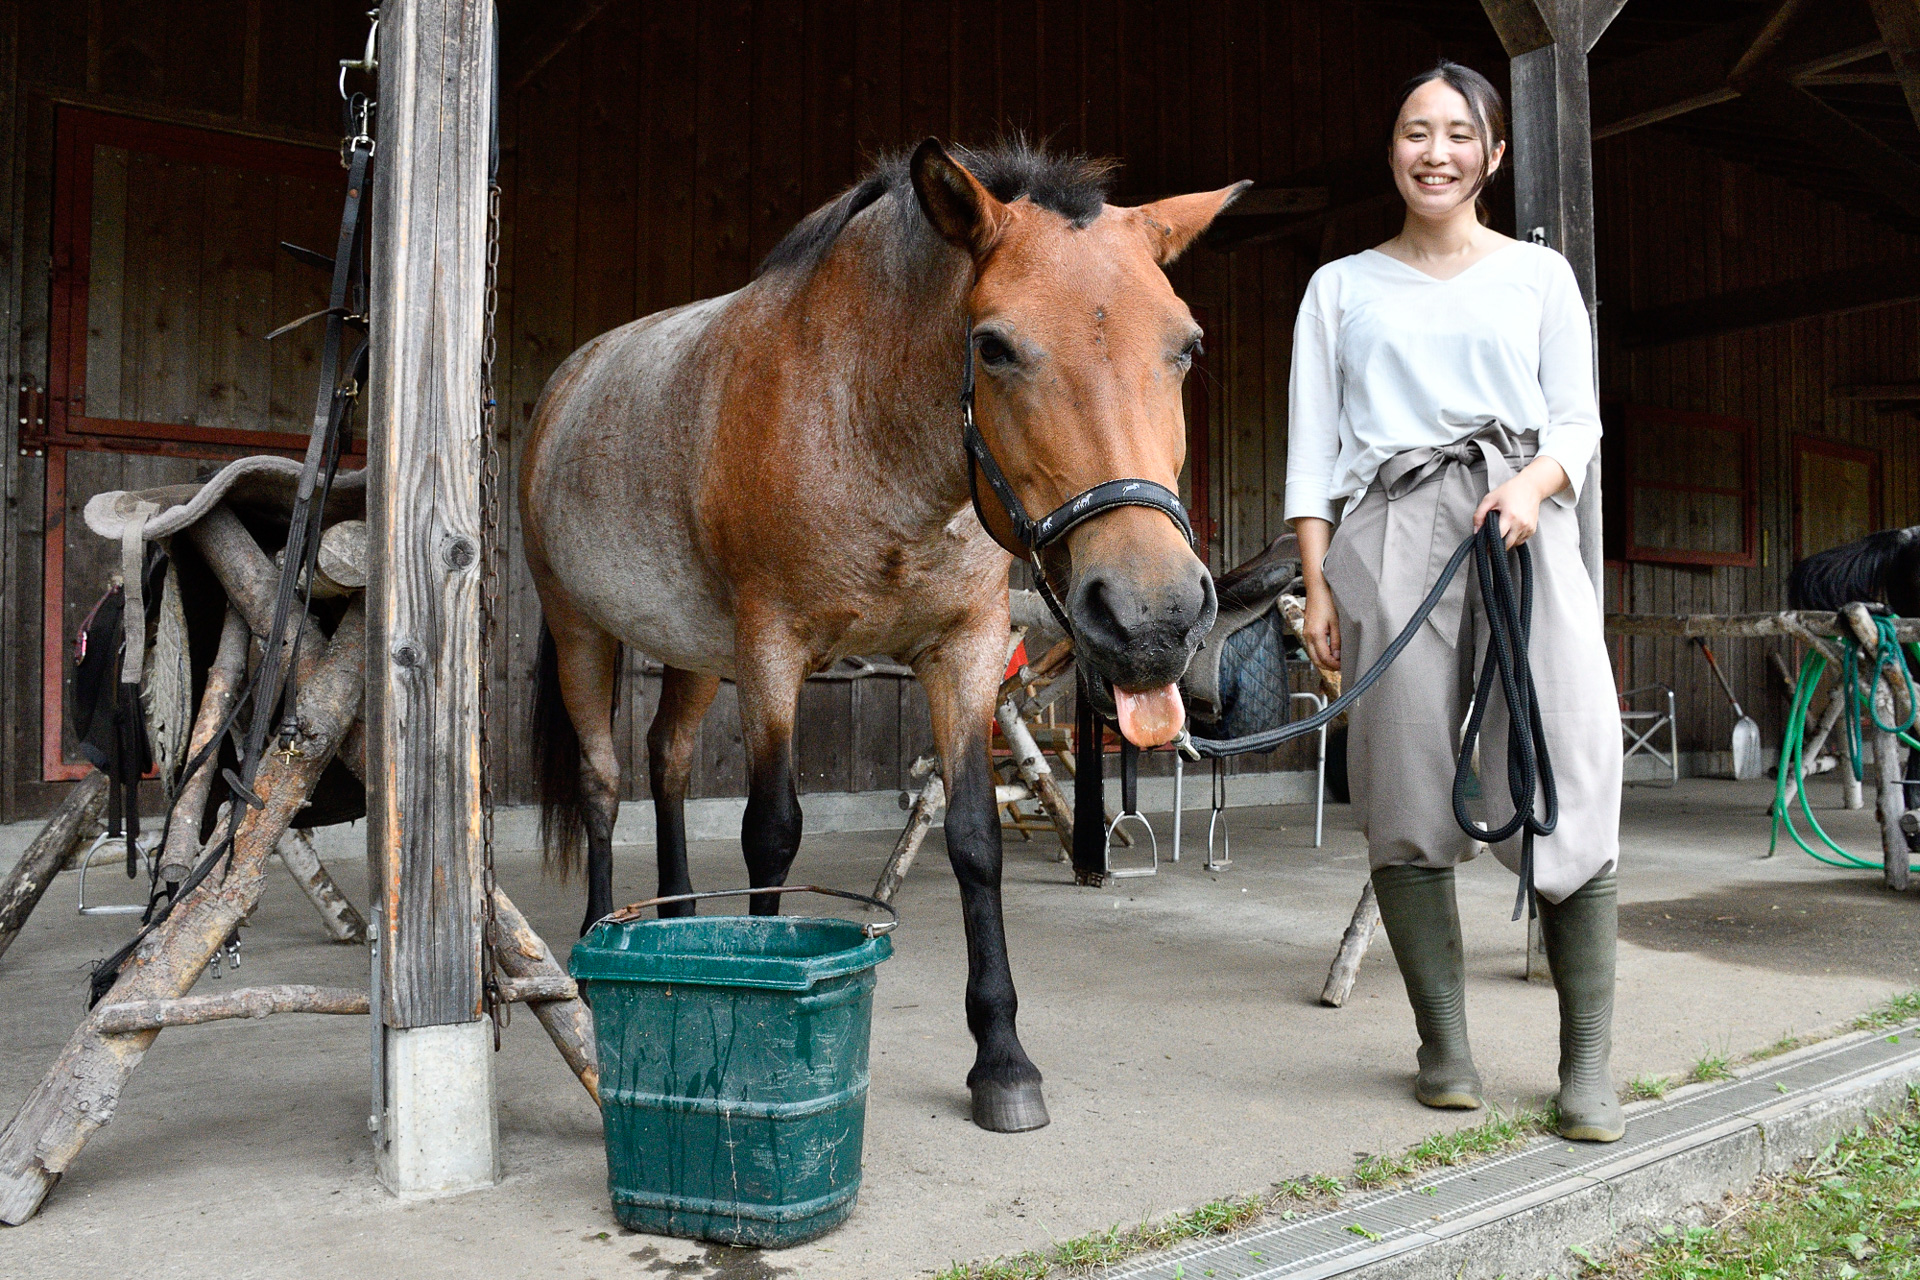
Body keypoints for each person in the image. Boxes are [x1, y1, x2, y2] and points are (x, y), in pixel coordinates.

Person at [1285, 60, 1624, 1142]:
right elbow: (1310, 457)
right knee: (1404, 780)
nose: (1436, 152)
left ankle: (1587, 1062)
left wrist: (1528, 486)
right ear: (1392, 151)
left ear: (1495, 154)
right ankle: (1446, 1044)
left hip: (1522, 519)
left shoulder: (1539, 274)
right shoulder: (1339, 286)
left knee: (1568, 760)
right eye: (1415, 132)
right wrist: (1316, 582)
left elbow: (1577, 420)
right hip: (1388, 529)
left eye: (1458, 133)